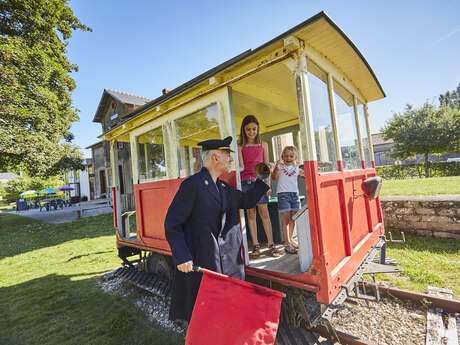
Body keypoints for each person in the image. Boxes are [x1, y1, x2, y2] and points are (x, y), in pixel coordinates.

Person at [164, 136, 270, 322]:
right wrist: (182, 256)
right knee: (206, 318)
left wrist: (262, 179)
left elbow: (247, 200)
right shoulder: (192, 185)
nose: (230, 158)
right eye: (227, 154)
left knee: (228, 315)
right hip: (204, 263)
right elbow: (172, 223)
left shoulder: (224, 187)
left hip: (228, 265)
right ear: (215, 158)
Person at [238, 115, 282, 258]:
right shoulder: (240, 147)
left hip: (260, 182)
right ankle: (256, 245)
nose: (251, 132)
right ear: (244, 130)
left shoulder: (263, 145)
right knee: (251, 214)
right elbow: (241, 167)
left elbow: (266, 166)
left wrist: (268, 185)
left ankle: (271, 244)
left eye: (254, 129)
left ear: (258, 129)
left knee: (264, 212)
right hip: (246, 183)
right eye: (248, 129)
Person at [272, 146, 304, 254]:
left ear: (295, 157)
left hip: (294, 195)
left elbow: (306, 175)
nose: (288, 158)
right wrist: (276, 167)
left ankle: (290, 239)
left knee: (293, 218)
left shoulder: (297, 168)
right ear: (282, 157)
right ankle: (286, 243)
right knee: (285, 219)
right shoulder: (280, 167)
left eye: (291, 156)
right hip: (283, 194)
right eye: (286, 156)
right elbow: (274, 177)